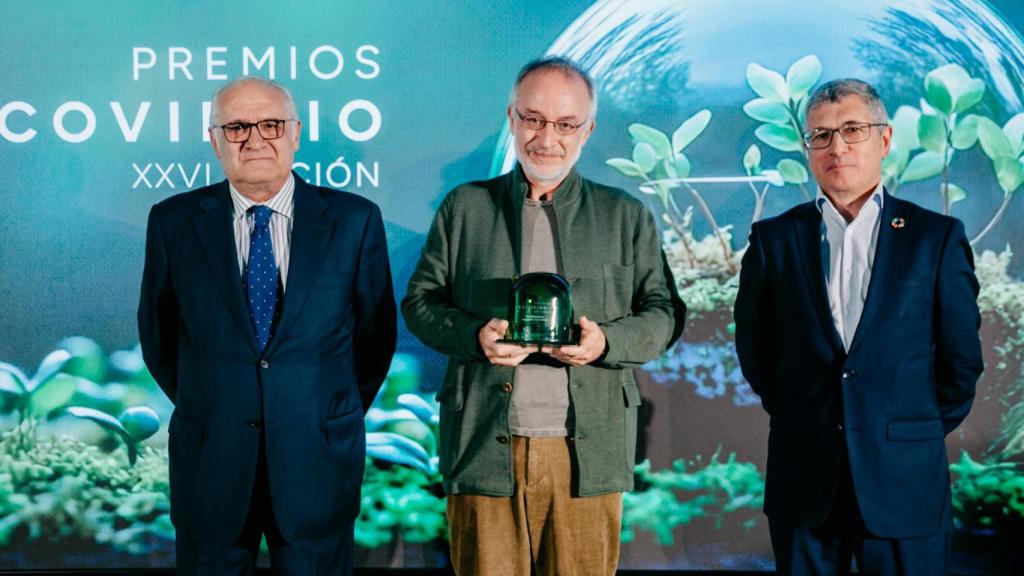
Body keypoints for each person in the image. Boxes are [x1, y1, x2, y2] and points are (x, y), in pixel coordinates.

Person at [402, 56, 686, 576]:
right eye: (533, 119)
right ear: (511, 118)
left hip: (587, 455)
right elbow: (420, 303)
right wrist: (473, 335)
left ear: (588, 130)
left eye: (565, 124)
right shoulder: (466, 208)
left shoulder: (624, 215)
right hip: (482, 445)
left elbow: (664, 314)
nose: (547, 138)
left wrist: (605, 344)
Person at [138, 76, 396, 575]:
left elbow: (375, 340)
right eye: (236, 127)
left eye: (271, 125)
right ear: (214, 140)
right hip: (211, 465)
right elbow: (159, 337)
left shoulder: (355, 220)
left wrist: (318, 413)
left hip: (317, 463)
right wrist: (217, 404)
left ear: (296, 133)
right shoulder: (173, 222)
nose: (254, 139)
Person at [734, 78, 983, 575]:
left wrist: (908, 429)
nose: (837, 147)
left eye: (852, 130)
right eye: (821, 135)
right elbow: (756, 352)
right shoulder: (773, 240)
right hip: (804, 482)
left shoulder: (934, 238)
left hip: (905, 484)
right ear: (808, 147)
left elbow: (961, 363)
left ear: (884, 139)